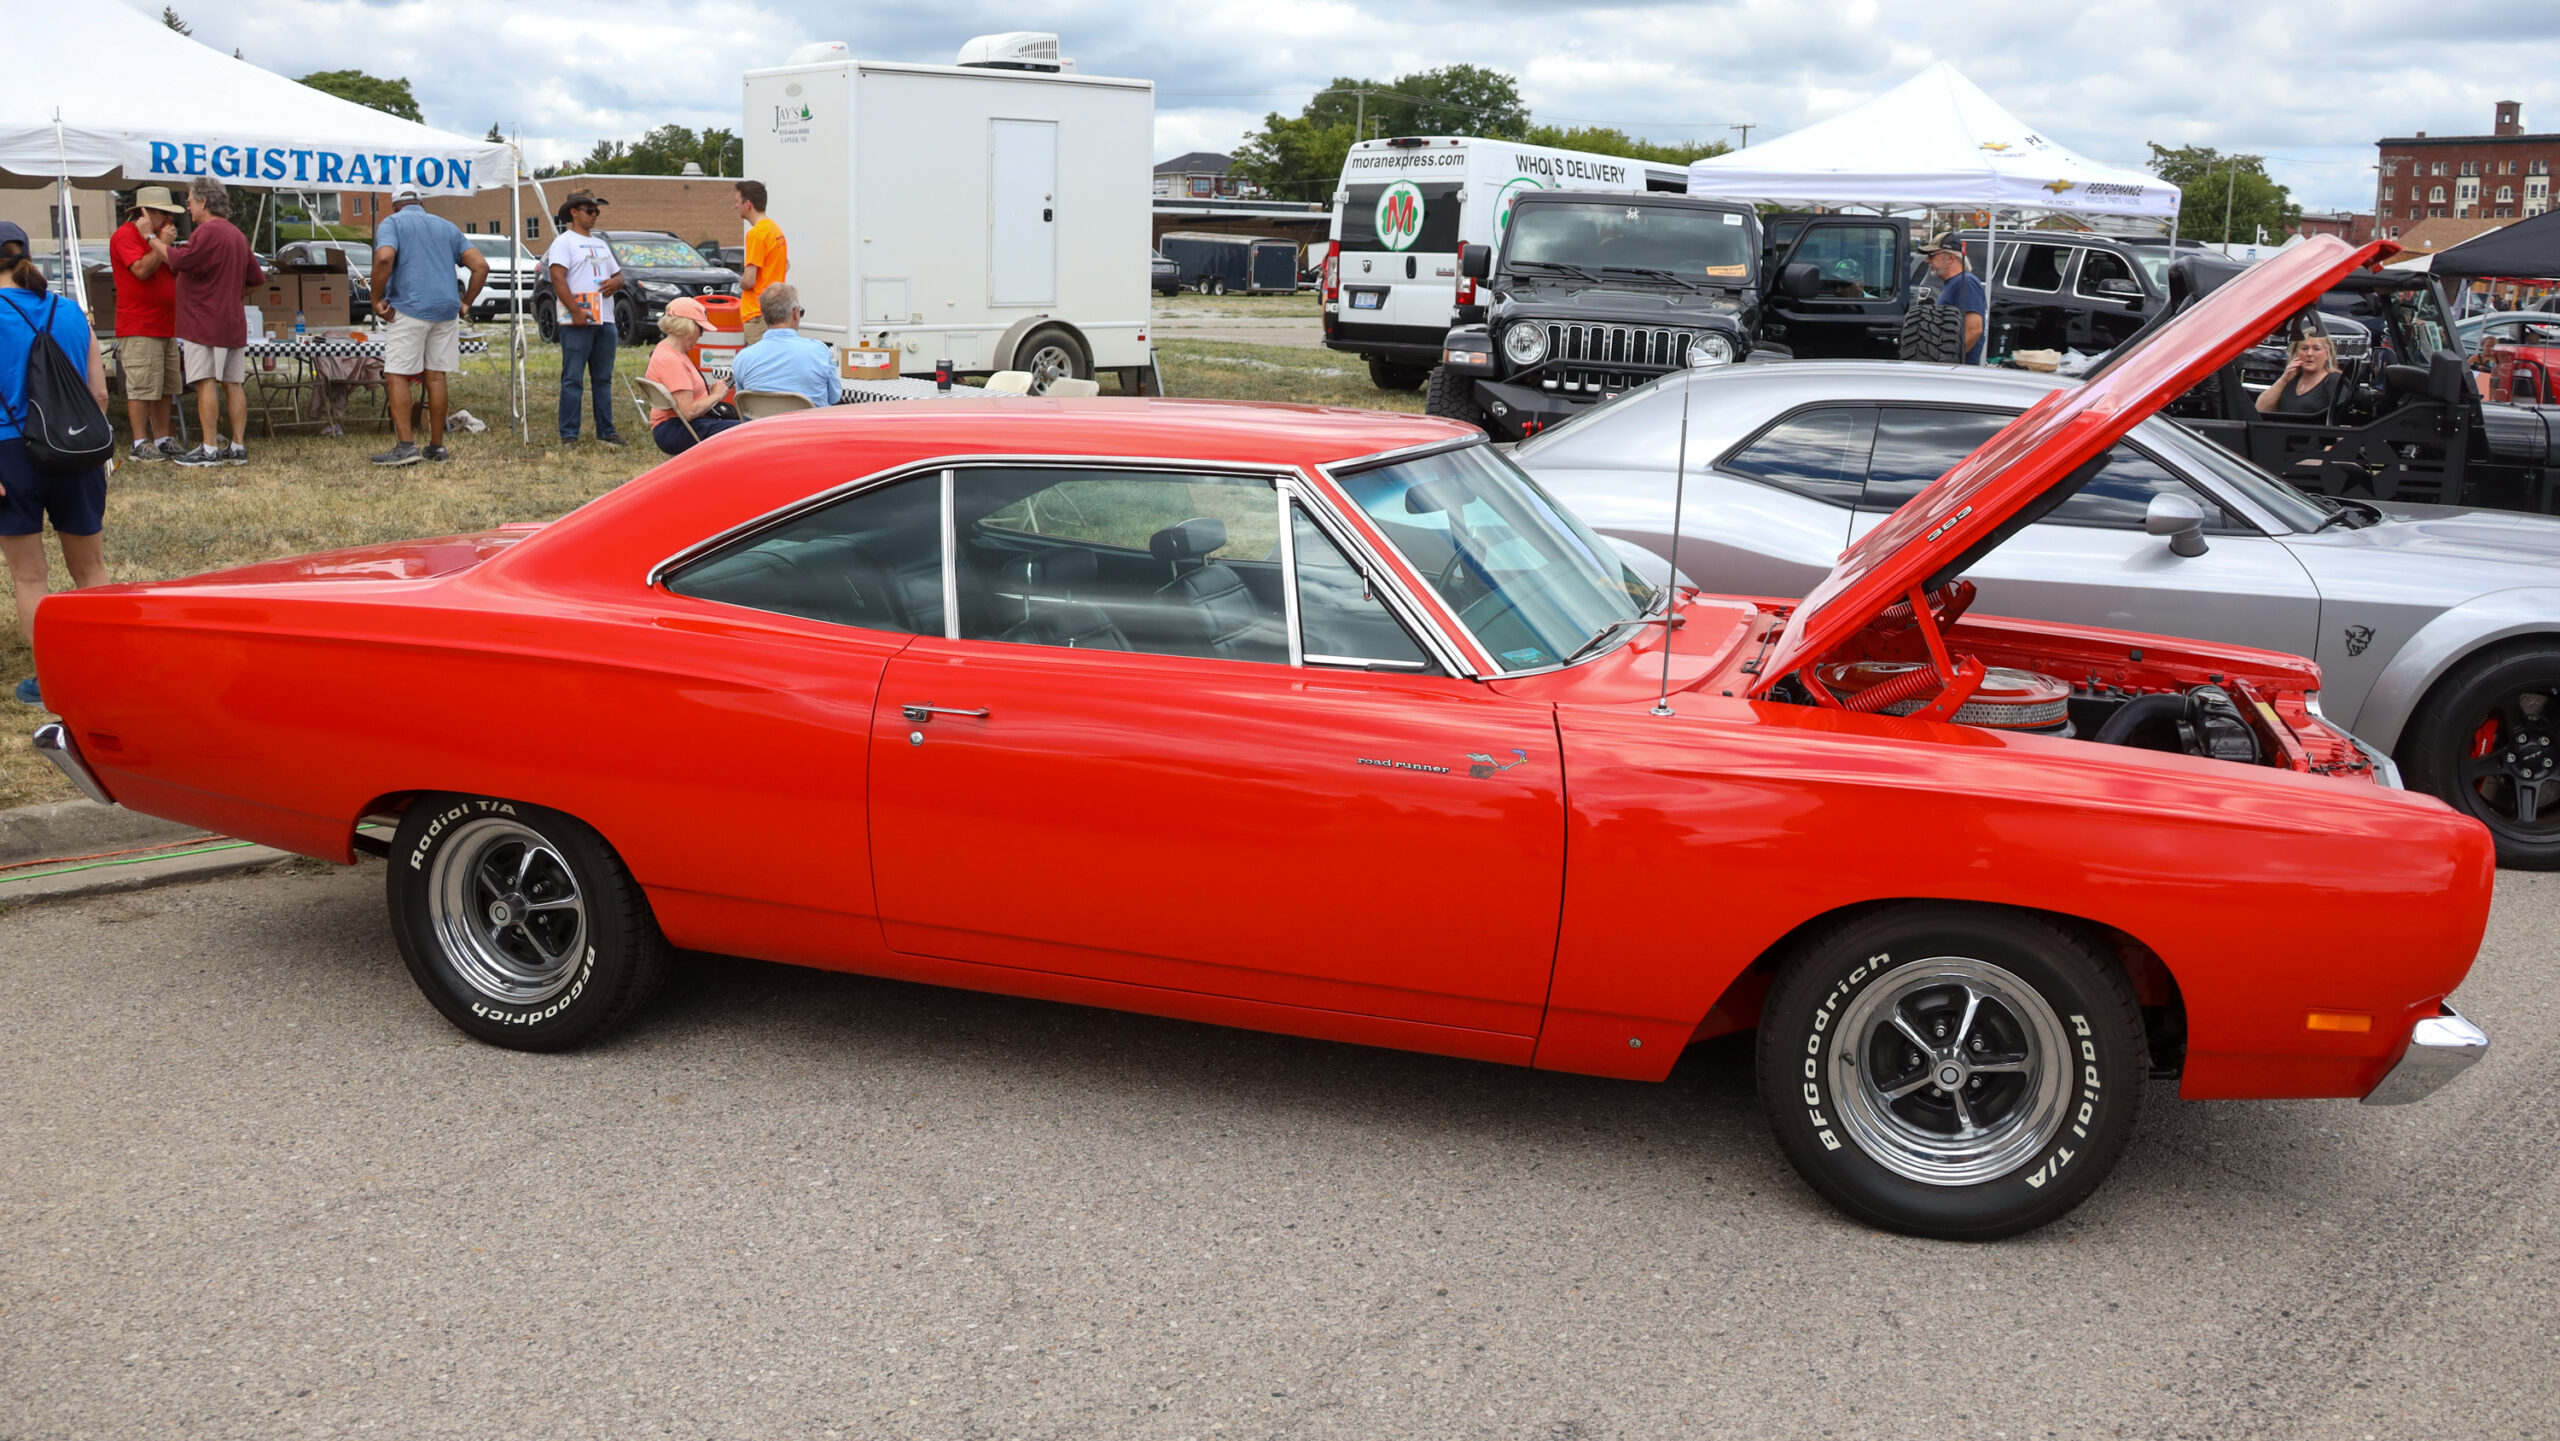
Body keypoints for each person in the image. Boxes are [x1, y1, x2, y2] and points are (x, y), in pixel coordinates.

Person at [0, 225, 113, 709]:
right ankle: (102, 670)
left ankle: (50, 680)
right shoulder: (69, 311)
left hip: (10, 453)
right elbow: (100, 394)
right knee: (90, 568)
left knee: (29, 576)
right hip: (76, 448)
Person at [368, 185, 488, 466]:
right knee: (435, 376)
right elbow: (480, 265)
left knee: (397, 373)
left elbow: (384, 257)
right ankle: (436, 446)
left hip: (409, 306)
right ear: (421, 203)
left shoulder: (392, 223)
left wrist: (375, 298)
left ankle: (406, 446)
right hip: (445, 309)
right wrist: (466, 303)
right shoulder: (446, 226)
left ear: (395, 205)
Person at [156, 176, 264, 468]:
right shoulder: (237, 235)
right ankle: (237, 446)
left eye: (190, 201)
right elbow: (256, 279)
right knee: (233, 383)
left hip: (203, 322)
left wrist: (151, 240)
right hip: (232, 321)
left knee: (205, 382)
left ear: (203, 202)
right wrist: (231, 293)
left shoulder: (206, 232)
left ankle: (209, 448)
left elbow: (179, 261)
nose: (188, 207)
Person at [108, 187, 186, 463]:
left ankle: (162, 438)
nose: (169, 219)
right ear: (145, 212)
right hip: (140, 325)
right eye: (164, 213)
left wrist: (160, 242)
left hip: (165, 324)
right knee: (142, 387)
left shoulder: (156, 238)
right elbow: (140, 270)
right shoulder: (125, 236)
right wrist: (156, 240)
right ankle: (139, 442)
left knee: (165, 386)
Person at [543, 191, 624, 446]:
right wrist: (576, 310)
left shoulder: (601, 243)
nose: (594, 215)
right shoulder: (563, 242)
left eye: (596, 211)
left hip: (606, 320)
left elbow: (619, 275)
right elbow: (557, 278)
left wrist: (616, 283)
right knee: (573, 378)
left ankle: (606, 431)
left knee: (603, 379)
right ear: (573, 212)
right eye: (589, 210)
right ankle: (569, 434)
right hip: (577, 321)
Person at [644, 296, 744, 456]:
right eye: (701, 329)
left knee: (749, 425)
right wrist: (717, 395)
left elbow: (683, 393)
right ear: (688, 327)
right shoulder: (672, 360)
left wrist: (710, 390)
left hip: (677, 426)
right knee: (749, 430)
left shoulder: (667, 350)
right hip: (678, 428)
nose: (701, 335)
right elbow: (688, 411)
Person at [726, 283, 838, 409]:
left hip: (763, 421)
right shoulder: (819, 351)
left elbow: (743, 403)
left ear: (763, 315)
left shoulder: (743, 358)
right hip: (810, 421)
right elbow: (834, 397)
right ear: (795, 313)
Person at [735, 180, 788, 346]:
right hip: (773, 309)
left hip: (756, 313)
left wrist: (740, 282)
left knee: (760, 360)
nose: (735, 206)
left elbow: (749, 280)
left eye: (737, 201)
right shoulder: (775, 230)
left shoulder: (756, 234)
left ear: (748, 204)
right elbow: (785, 265)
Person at [1923, 239, 1988, 365]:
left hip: (1958, 369)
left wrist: (1949, 361)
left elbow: (1974, 329)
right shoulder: (1954, 283)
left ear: (1950, 258)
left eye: (1932, 255)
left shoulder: (1966, 282)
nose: (1927, 260)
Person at [2256, 329, 2343, 419]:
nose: (2309, 353)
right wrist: (2284, 379)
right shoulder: (2290, 379)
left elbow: (2342, 417)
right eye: (2304, 348)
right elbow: (2260, 409)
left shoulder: (2334, 380)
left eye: (2316, 349)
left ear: (2327, 354)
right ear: (2296, 353)